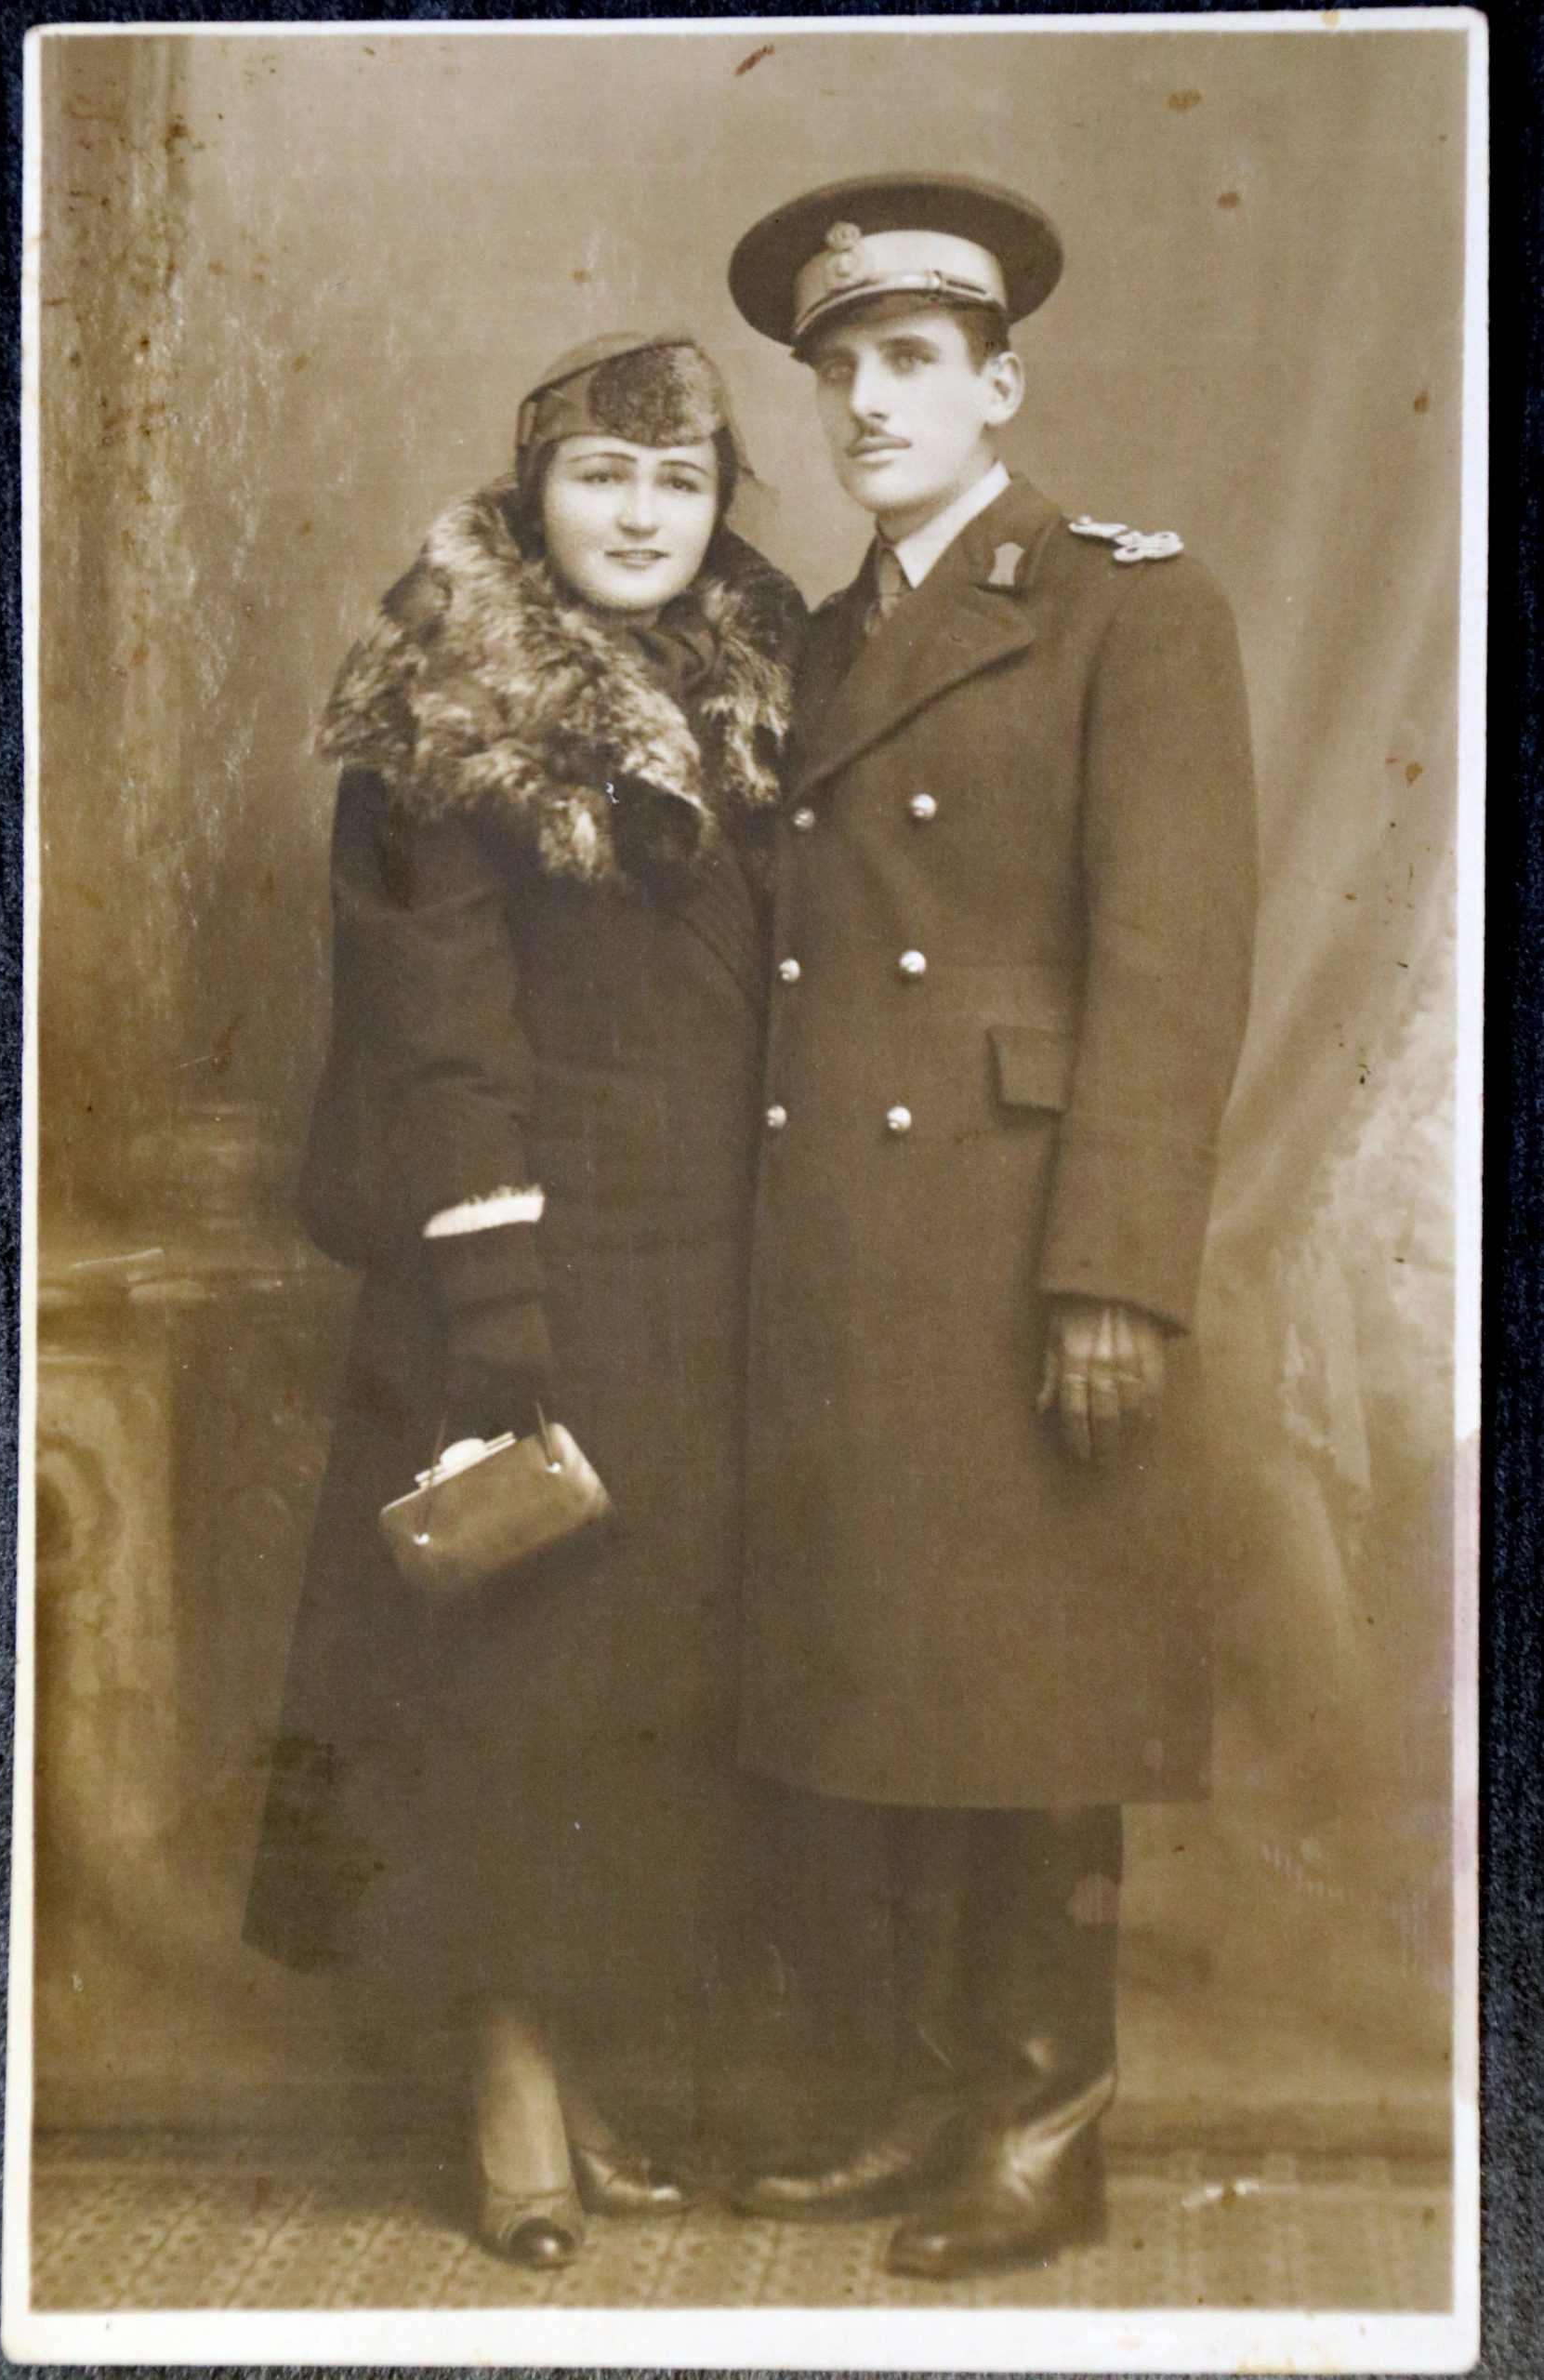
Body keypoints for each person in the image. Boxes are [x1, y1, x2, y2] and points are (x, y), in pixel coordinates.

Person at [725, 175, 1258, 2277]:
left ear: (997, 386)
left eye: (910, 362)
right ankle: (913, 2100)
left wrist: (1113, 1272)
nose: (866, 402)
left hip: (1019, 1236)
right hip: (840, 1250)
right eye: (837, 370)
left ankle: (1044, 2131)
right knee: (883, 1676)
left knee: (1029, 1689)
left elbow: (1172, 970)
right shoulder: (818, 636)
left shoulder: (1128, 604)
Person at [244, 334, 805, 2268]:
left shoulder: (757, 682)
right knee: (508, 1670)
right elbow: (433, 1019)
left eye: (679, 481)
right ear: (531, 491)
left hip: (700, 1260)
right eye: (600, 477)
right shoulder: (445, 705)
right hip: (513, 1256)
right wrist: (494, 1288)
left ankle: (575, 2054)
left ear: (718, 503)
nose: (641, 516)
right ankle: (506, 2078)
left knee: (629, 1690)